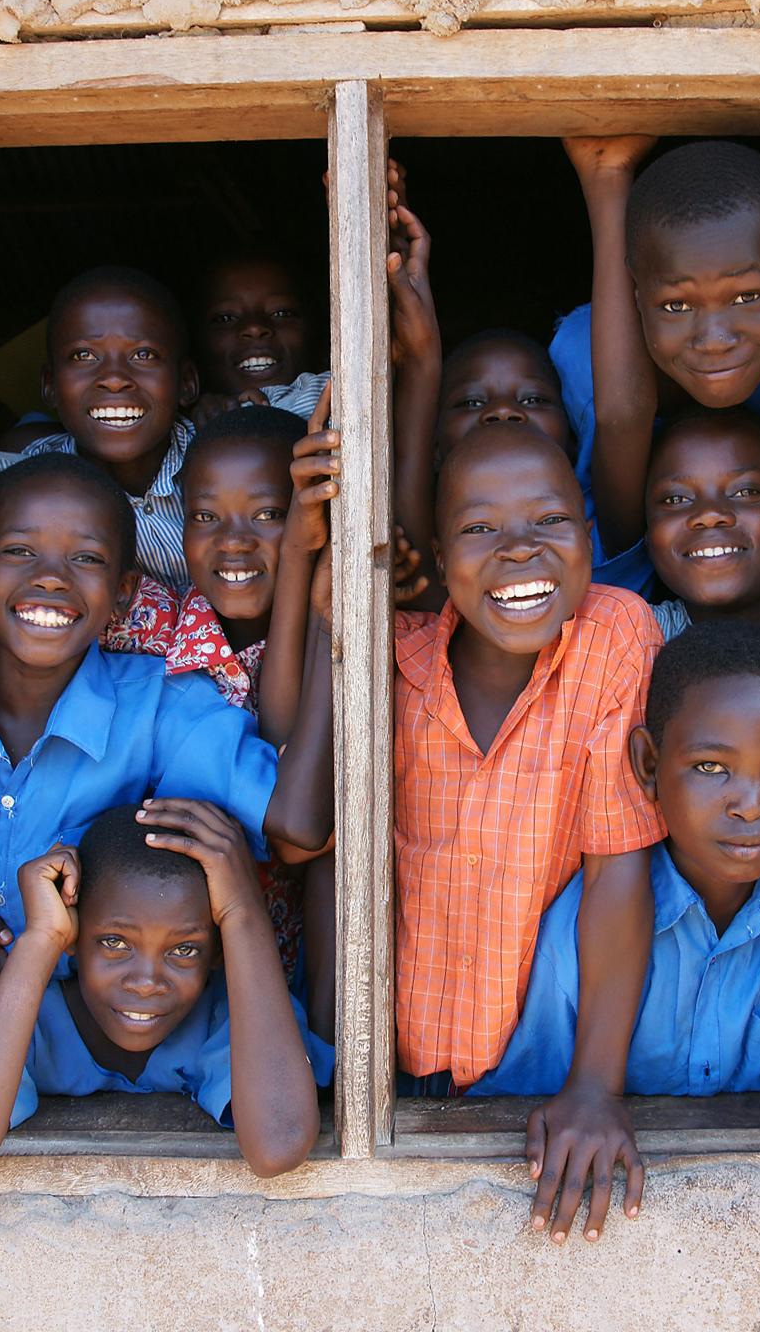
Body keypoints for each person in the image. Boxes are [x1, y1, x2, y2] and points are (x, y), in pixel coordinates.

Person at [279, 418, 667, 1245]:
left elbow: (619, 870)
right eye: (479, 528)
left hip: (543, 1068)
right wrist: (329, 614)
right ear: (436, 552)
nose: (519, 548)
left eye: (550, 521)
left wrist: (596, 1086)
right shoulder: (396, 651)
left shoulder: (614, 635)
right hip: (386, 1073)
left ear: (590, 532)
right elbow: (297, 831)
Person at [0, 452, 331, 999]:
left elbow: (300, 825)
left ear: (124, 593)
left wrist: (326, 615)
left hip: (114, 1023)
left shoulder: (158, 705)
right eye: (19, 551)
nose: (50, 578)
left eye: (85, 558)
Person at [0, 802, 334, 1208]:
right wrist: (40, 940)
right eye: (114, 942)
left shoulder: (236, 1019)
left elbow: (279, 1146)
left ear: (219, 952)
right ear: (73, 932)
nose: (146, 982)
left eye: (184, 950)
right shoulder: (15, 1023)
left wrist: (242, 910)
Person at [475, 621, 760, 1100]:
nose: (752, 804)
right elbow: (521, 1114)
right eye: (711, 767)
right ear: (648, 766)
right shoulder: (580, 934)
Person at [554, 137, 760, 570]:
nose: (715, 339)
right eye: (677, 306)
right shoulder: (582, 352)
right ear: (634, 294)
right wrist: (605, 180)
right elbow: (619, 532)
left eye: (747, 297)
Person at [0, 266, 202, 602]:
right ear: (49, 386)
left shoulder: (234, 468)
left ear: (186, 382)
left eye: (143, 354)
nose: (113, 378)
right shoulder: (7, 493)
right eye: (84, 355)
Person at [632, 405, 760, 640]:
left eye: (745, 492)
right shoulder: (627, 644)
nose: (710, 515)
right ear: (647, 535)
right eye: (677, 499)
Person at [190, 249, 329, 417]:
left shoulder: (341, 394)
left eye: (281, 313)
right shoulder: (180, 433)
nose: (254, 328)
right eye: (226, 318)